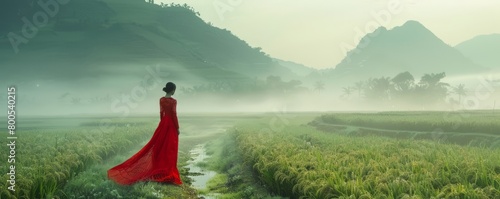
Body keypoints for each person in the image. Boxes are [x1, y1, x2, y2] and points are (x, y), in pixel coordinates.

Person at [107, 82, 182, 185]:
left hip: (163, 124)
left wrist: (161, 124)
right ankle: (169, 173)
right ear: (173, 90)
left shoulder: (161, 100)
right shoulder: (173, 101)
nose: (174, 91)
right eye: (175, 89)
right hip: (170, 126)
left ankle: (161, 171)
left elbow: (161, 113)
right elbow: (174, 114)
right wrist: (177, 128)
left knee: (159, 147)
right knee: (170, 149)